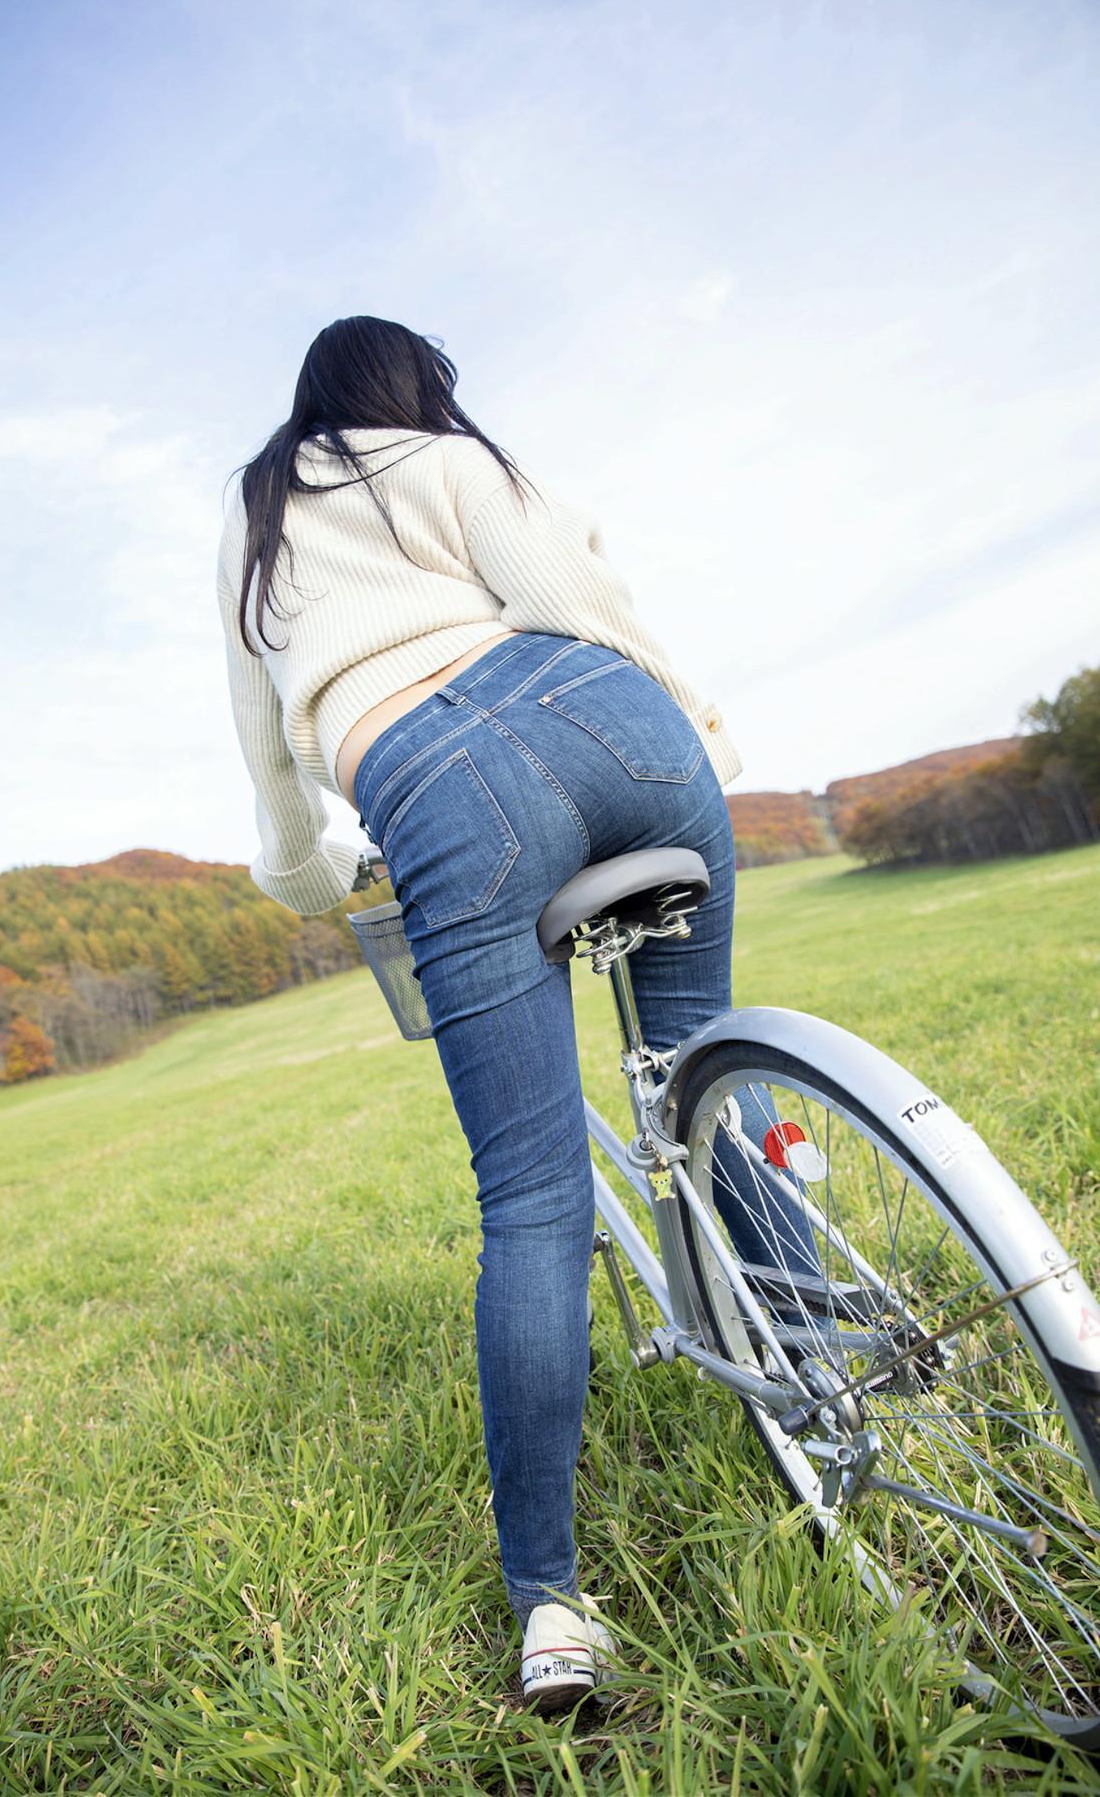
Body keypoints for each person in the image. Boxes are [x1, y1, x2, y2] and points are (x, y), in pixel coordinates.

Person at [217, 315, 818, 1713]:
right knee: (700, 1065)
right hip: (617, 722)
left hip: (432, 786)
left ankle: (553, 1609)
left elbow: (269, 760)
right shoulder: (443, 455)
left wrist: (316, 880)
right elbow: (573, 590)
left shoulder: (260, 526)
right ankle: (827, 1352)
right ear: (417, 391)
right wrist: (701, 745)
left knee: (533, 1204)